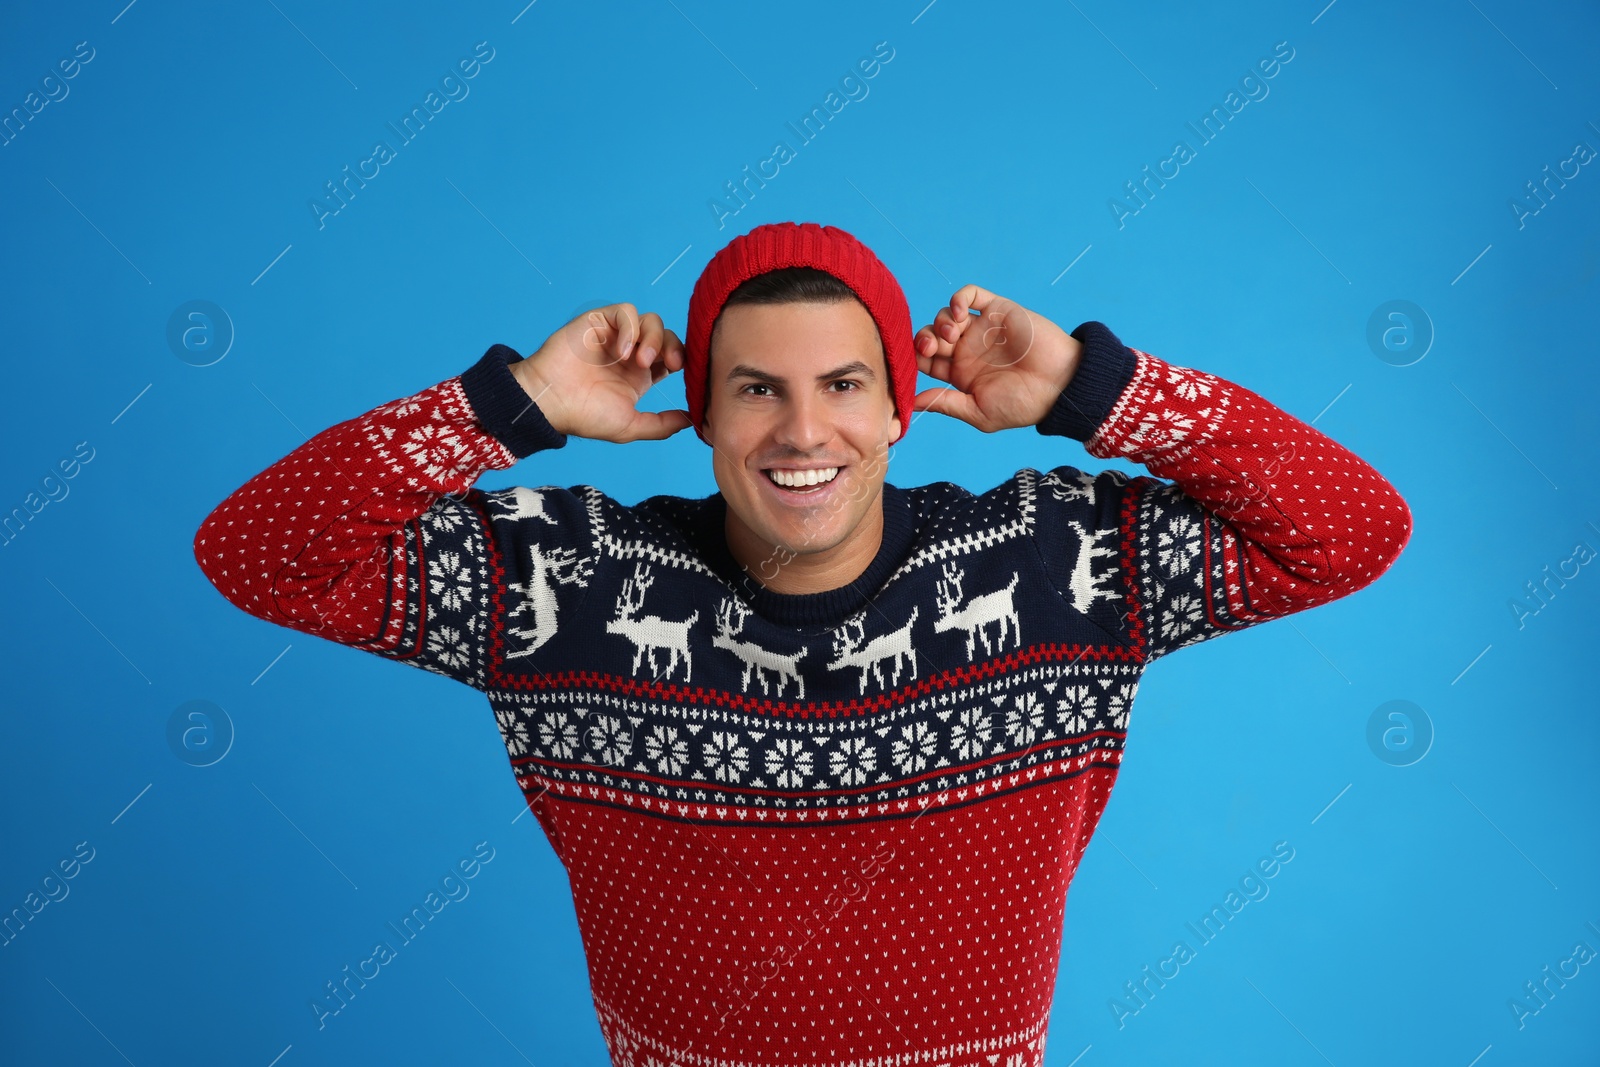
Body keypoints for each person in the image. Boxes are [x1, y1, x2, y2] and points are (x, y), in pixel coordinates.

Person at [194, 221, 1411, 1065]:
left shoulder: (1058, 562)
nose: (802, 428)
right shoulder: (556, 581)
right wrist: (509, 407)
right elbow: (257, 555)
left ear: (898, 405)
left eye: (841, 383)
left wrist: (1100, 389)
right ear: (703, 413)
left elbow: (1352, 531)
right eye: (757, 388)